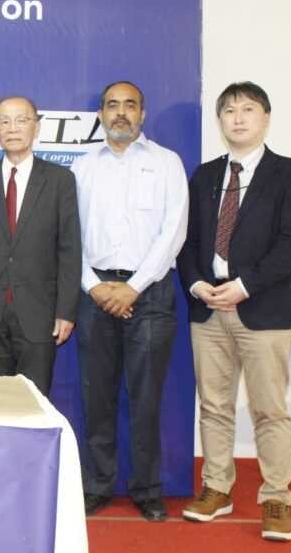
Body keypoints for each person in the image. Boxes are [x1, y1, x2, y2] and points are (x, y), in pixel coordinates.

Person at [177, 82, 291, 541]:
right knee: (214, 407)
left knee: (269, 409)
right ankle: (218, 489)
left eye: (248, 109)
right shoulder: (205, 175)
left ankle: (276, 498)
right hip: (208, 309)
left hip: (262, 310)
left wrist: (244, 286)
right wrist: (197, 284)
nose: (238, 118)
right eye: (229, 111)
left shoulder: (290, 174)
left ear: (265, 118)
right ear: (220, 121)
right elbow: (188, 242)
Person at [71, 81, 188, 521]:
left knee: (146, 397)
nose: (121, 112)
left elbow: (174, 231)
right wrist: (94, 286)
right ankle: (98, 484)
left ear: (143, 113)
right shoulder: (82, 167)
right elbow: (68, 235)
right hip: (94, 293)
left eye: (130, 105)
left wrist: (134, 286)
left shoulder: (166, 163)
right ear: (101, 114)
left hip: (150, 292)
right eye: (112, 105)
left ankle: (146, 488)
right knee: (96, 396)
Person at [0, 96, 81, 395]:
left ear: (36, 128)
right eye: (4, 121)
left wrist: (66, 311)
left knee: (33, 404)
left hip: (40, 314)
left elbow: (69, 249)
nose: (13, 128)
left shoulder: (60, 180)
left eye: (22, 120)